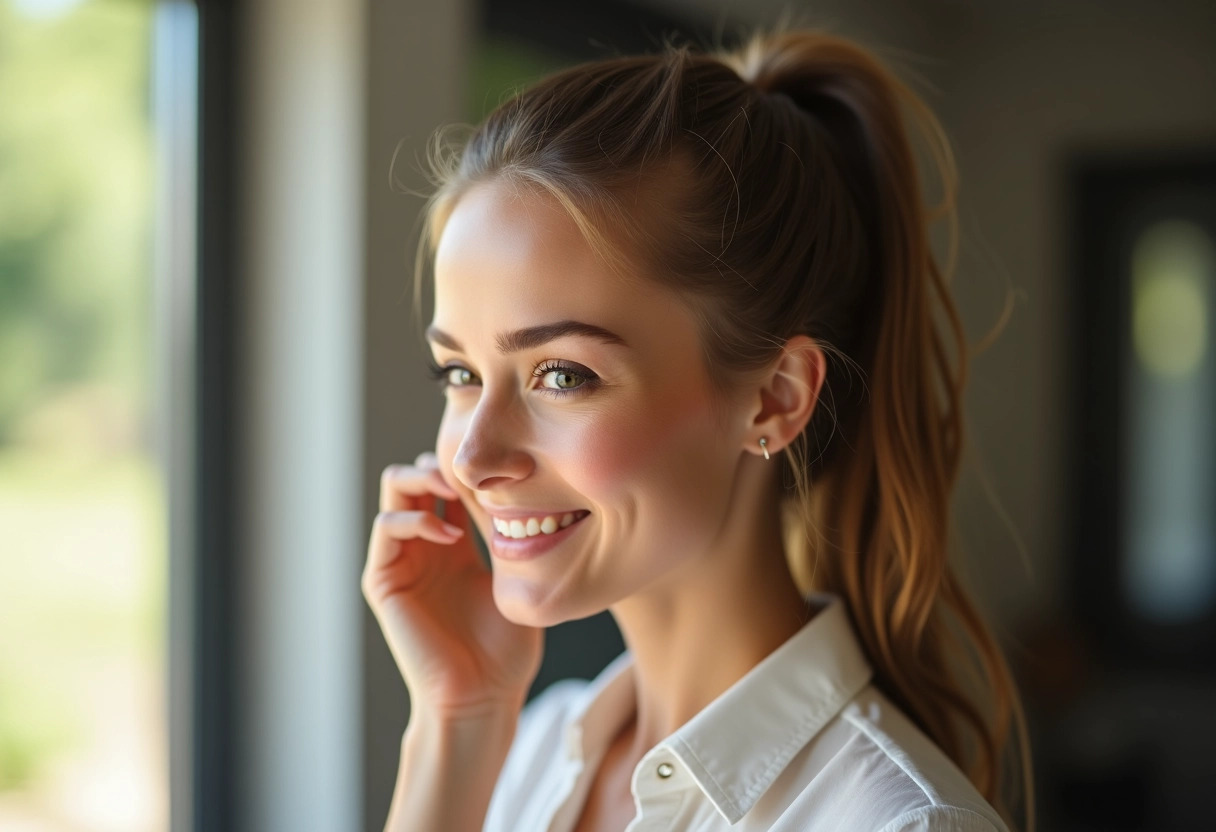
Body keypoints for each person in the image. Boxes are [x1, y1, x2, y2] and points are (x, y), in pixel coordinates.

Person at [362, 22, 1034, 832]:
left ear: (775, 399)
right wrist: (455, 719)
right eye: (461, 375)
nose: (472, 457)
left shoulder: (898, 825)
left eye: (562, 375)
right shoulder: (527, 753)